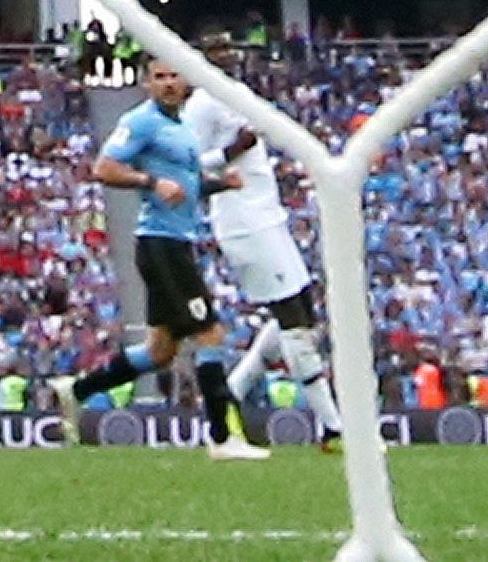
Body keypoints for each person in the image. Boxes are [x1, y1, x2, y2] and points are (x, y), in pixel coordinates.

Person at [70, 57, 267, 459]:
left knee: (160, 351)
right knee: (210, 333)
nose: (168, 83)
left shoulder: (181, 129)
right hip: (162, 246)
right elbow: (104, 168)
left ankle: (76, 391)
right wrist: (150, 182)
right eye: (159, 77)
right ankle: (222, 438)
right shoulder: (142, 121)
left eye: (174, 75)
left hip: (174, 242)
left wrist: (220, 186)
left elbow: (185, 186)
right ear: (146, 84)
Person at [184, 37, 346, 452]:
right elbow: (183, 168)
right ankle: (333, 428)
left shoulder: (238, 96)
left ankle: (231, 395)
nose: (226, 57)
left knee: (303, 312)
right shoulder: (201, 105)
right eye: (216, 52)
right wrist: (229, 152)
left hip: (269, 216)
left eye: (229, 50)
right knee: (293, 321)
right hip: (243, 223)